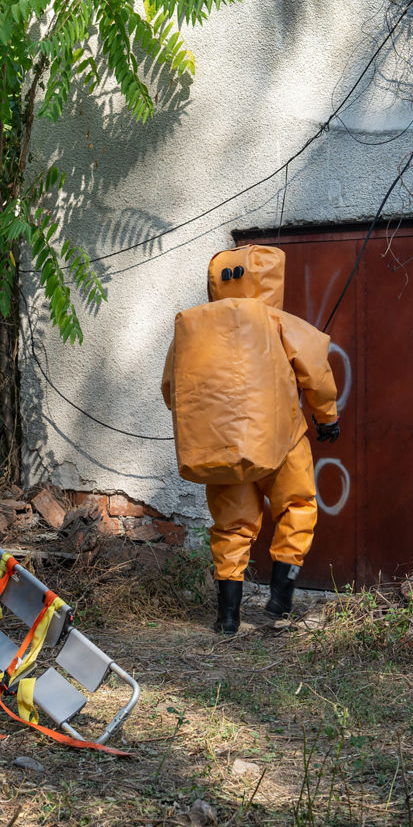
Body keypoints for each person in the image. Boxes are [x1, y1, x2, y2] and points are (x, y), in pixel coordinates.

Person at [161, 245, 339, 634]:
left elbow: (171, 389)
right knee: (296, 507)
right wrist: (327, 419)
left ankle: (227, 617)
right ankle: (280, 598)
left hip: (221, 448)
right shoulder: (278, 320)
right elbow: (317, 374)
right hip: (282, 444)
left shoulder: (189, 330)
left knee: (231, 529)